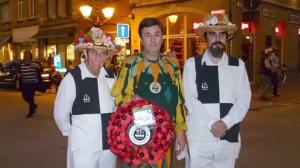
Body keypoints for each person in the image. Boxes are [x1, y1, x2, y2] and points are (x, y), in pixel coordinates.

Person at [112, 17, 187, 168]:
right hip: (137, 135)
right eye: (148, 35)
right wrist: (132, 100)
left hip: (166, 136)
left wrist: (180, 131)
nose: (153, 40)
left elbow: (180, 100)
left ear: (162, 37)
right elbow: (118, 95)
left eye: (157, 34)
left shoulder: (172, 65)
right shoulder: (131, 63)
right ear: (141, 39)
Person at [183, 14, 251, 168]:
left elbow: (243, 99)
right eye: (212, 34)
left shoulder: (238, 65)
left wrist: (225, 123)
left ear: (227, 38)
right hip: (199, 137)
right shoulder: (192, 64)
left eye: (222, 34)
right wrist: (213, 123)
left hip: (228, 135)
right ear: (206, 38)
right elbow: (190, 99)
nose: (217, 38)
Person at [54, 26, 117, 168]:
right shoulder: (72, 78)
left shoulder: (111, 77)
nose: (99, 57)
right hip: (84, 147)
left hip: (108, 145)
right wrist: (75, 134)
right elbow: (60, 113)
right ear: (85, 52)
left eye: (103, 53)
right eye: (95, 52)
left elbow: (117, 108)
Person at [18, 50, 41, 118]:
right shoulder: (21, 64)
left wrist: (36, 66)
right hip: (25, 83)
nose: (26, 56)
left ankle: (30, 112)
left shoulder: (33, 63)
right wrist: (18, 78)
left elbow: (40, 68)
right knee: (24, 96)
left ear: (30, 56)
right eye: (25, 55)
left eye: (27, 54)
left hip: (33, 83)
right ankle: (33, 106)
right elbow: (19, 72)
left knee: (30, 97)